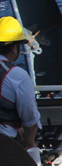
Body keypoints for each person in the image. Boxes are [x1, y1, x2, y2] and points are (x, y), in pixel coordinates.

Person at [0, 17, 39, 150]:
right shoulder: (16, 76)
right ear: (14, 48)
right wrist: (29, 143)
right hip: (5, 146)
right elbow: (30, 119)